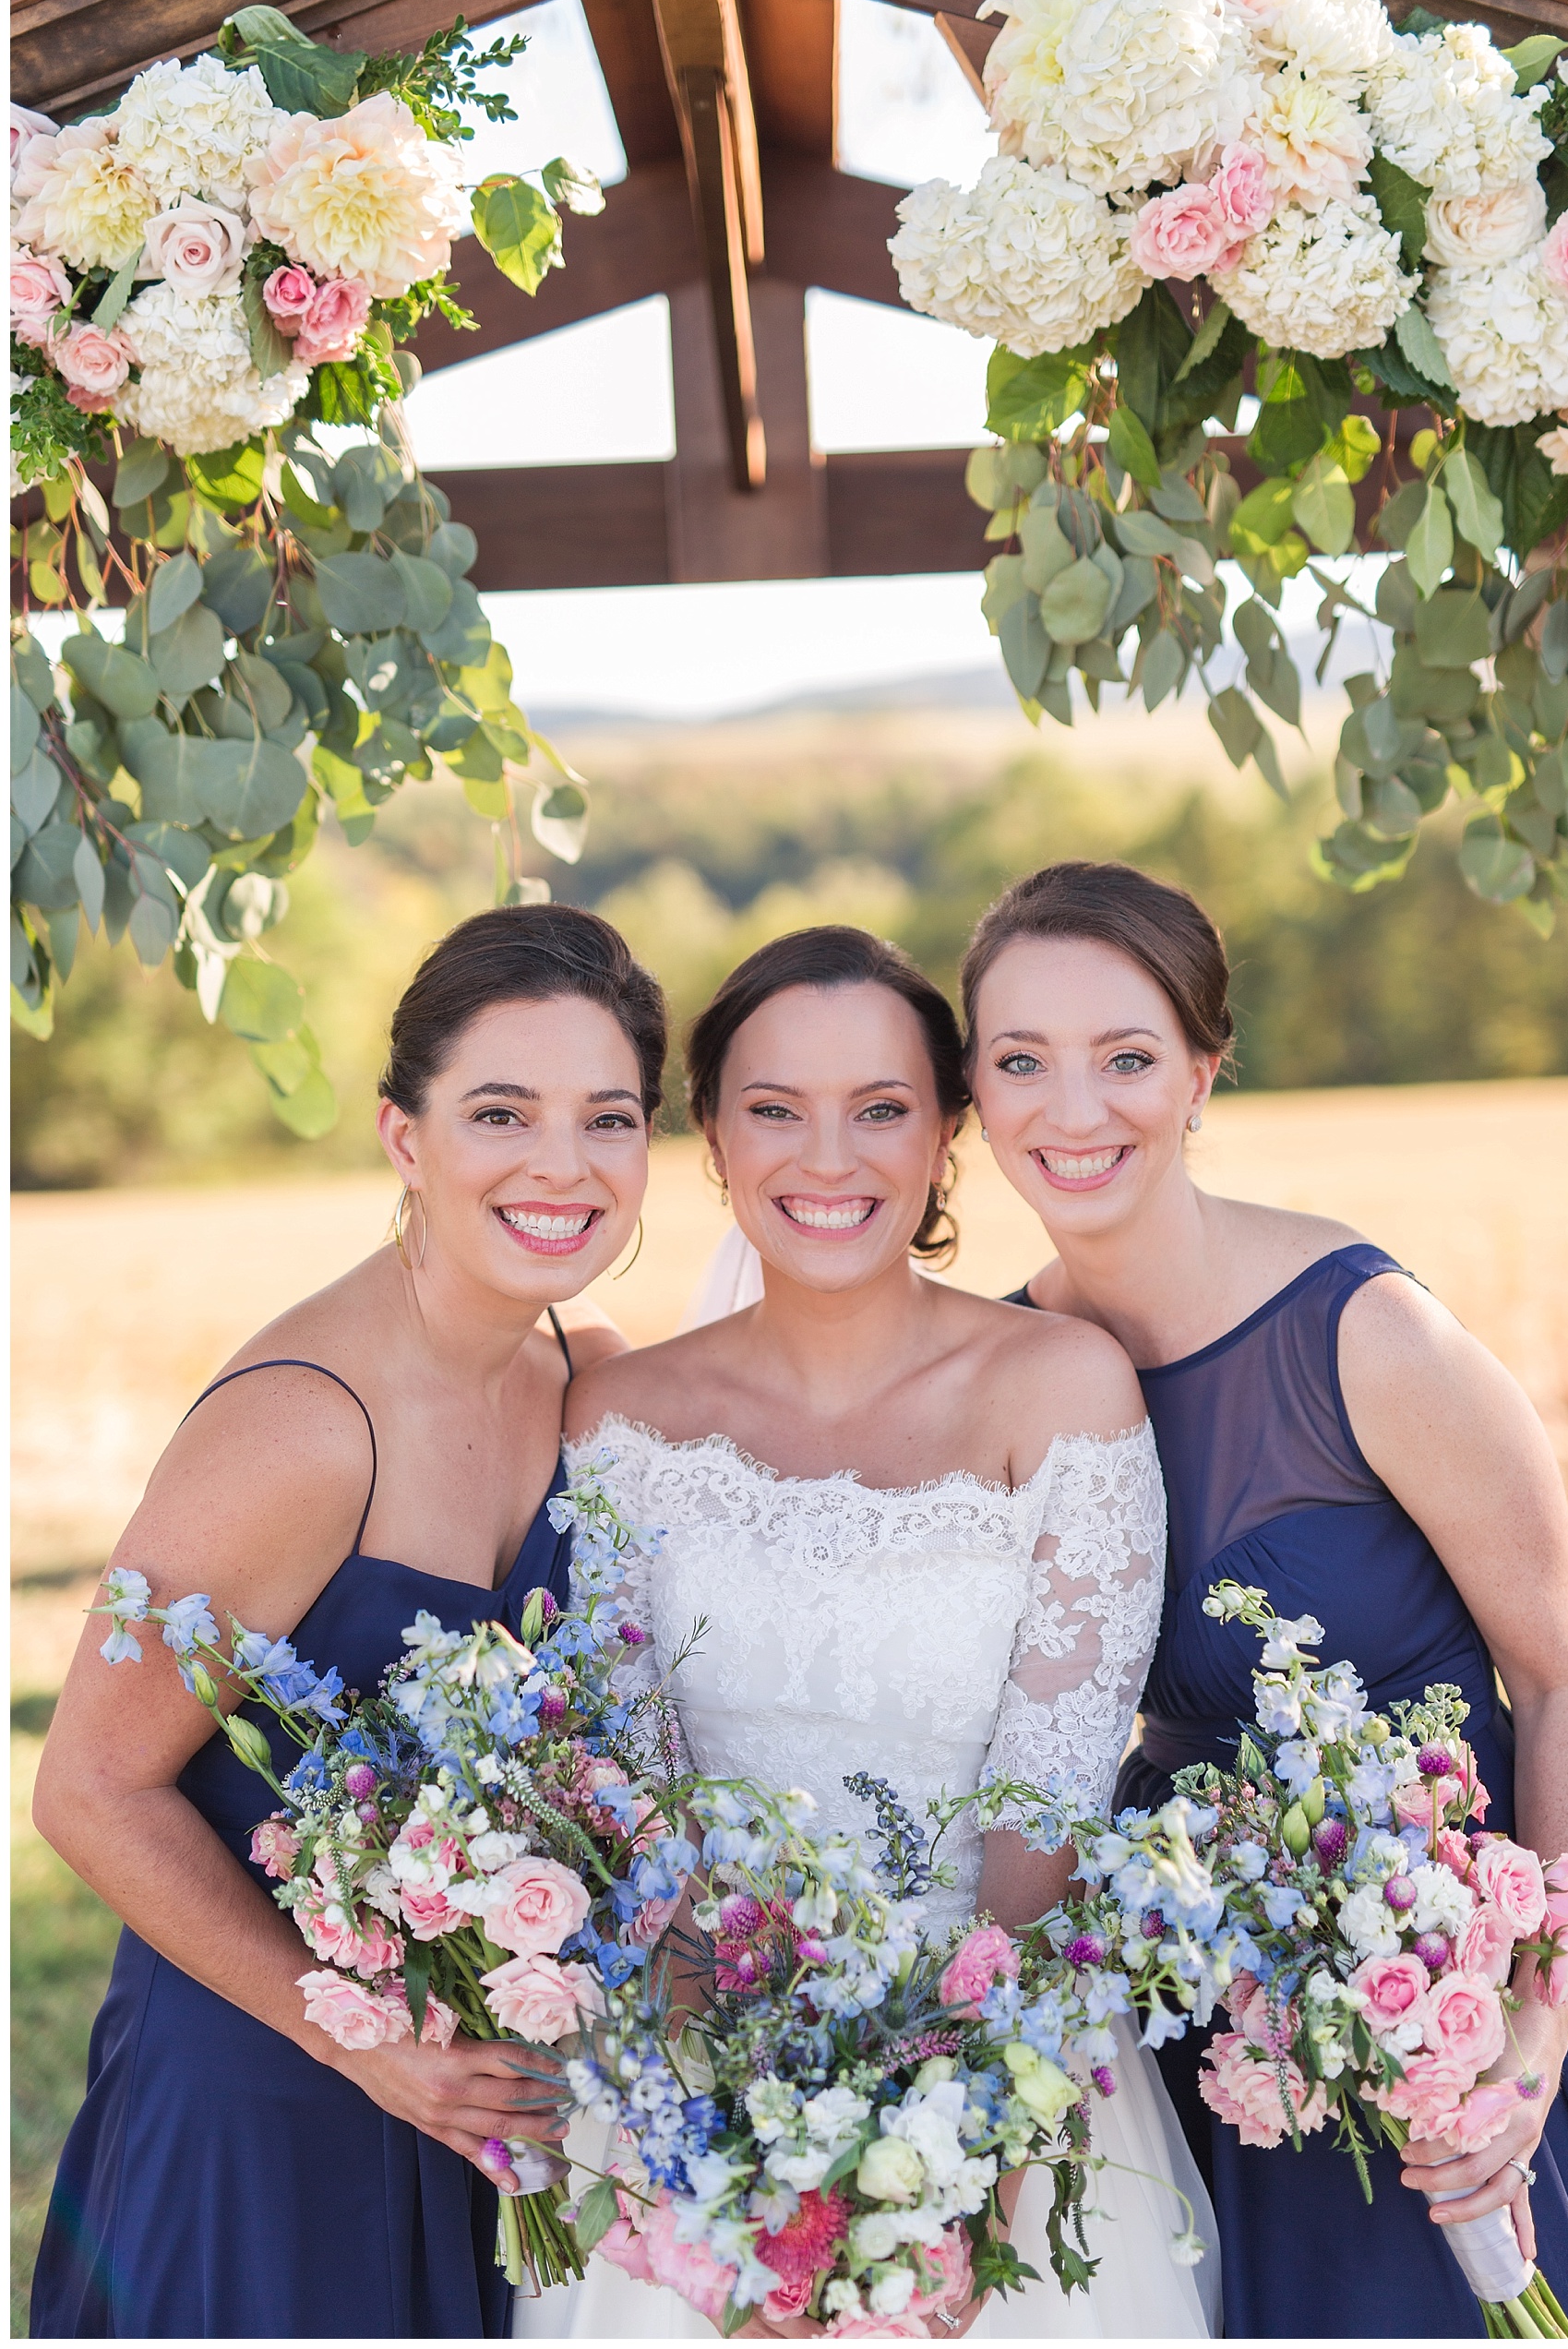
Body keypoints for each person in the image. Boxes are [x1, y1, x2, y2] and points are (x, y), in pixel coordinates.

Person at [520, 924, 1218, 2343]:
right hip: (698, 2058)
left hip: (995, 2053)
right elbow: (637, 1798)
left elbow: (1053, 1797)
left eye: (881, 1108)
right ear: (712, 1136)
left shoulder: (1065, 1390)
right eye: (774, 1108)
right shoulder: (620, 1422)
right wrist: (736, 2129)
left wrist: (952, 2134)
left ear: (948, 1130)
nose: (826, 1158)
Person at [964, 857, 1568, 2340]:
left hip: (1454, 1976)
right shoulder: (998, 1370)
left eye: (1126, 1057)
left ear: (1202, 1069)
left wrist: (1527, 2027)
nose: (1075, 1110)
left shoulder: (1365, 1334)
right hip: (1202, 1993)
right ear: (976, 1096)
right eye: (1021, 1062)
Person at [30, 905, 665, 2340]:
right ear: (404, 1136)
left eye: (607, 1118)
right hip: (263, 2096)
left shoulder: (586, 1376)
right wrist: (362, 2042)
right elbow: (88, 1787)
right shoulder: (306, 1428)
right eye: (501, 1111)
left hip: (480, 2102)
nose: (562, 1164)